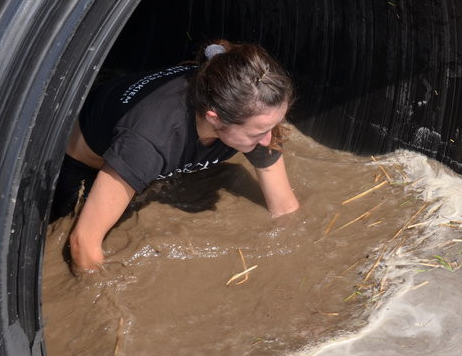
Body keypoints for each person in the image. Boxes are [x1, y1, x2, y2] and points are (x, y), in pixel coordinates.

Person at [52, 40, 300, 274]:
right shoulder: (150, 142)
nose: (268, 140)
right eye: (259, 132)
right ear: (215, 118)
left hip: (136, 129)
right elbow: (83, 242)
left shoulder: (248, 107)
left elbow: (285, 207)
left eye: (273, 124)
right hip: (77, 158)